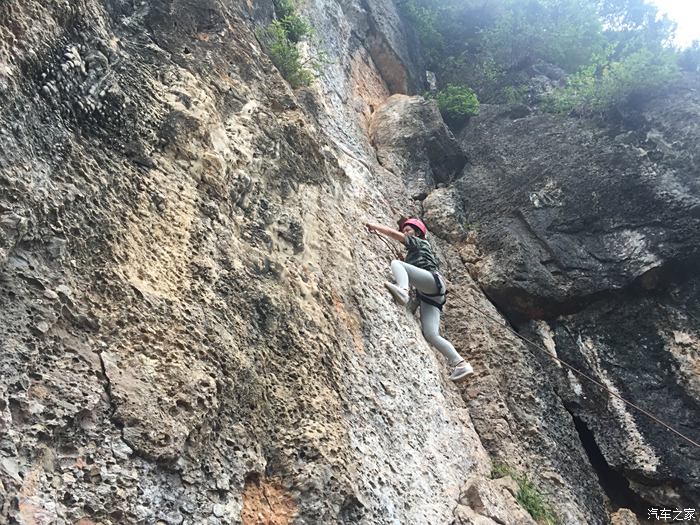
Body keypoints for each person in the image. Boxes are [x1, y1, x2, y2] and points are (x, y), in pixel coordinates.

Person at [365, 217, 474, 382]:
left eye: (408, 230)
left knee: (397, 264)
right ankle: (461, 364)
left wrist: (375, 226)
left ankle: (403, 290)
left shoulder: (419, 242)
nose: (405, 232)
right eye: (404, 230)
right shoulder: (416, 251)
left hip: (432, 282)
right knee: (431, 334)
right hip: (431, 296)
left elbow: (394, 234)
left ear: (417, 233)